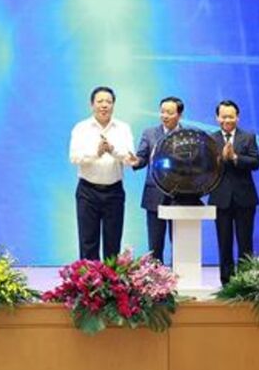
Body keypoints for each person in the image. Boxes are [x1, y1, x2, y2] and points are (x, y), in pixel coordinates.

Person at [68, 86, 136, 261]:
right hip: (87, 191)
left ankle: (110, 278)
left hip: (114, 190)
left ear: (113, 105)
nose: (104, 105)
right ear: (92, 104)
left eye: (108, 101)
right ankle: (90, 277)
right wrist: (96, 152)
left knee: (113, 241)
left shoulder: (123, 128)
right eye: (100, 101)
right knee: (88, 240)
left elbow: (130, 159)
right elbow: (74, 157)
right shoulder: (81, 128)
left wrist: (112, 150)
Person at [207, 100, 259, 285]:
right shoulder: (210, 139)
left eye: (231, 116)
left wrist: (235, 157)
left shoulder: (248, 137)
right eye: (223, 117)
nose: (227, 120)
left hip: (245, 198)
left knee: (245, 242)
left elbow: (255, 162)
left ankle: (246, 282)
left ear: (237, 117)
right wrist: (221, 158)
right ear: (217, 118)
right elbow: (205, 167)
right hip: (220, 198)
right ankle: (227, 283)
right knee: (224, 243)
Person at [129, 96, 184, 264]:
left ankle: (180, 274)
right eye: (162, 112)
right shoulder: (150, 133)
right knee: (155, 243)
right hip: (154, 194)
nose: (165, 116)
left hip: (180, 194)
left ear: (179, 115)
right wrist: (136, 161)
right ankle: (156, 277)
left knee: (180, 242)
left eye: (169, 112)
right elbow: (142, 157)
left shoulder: (187, 136)